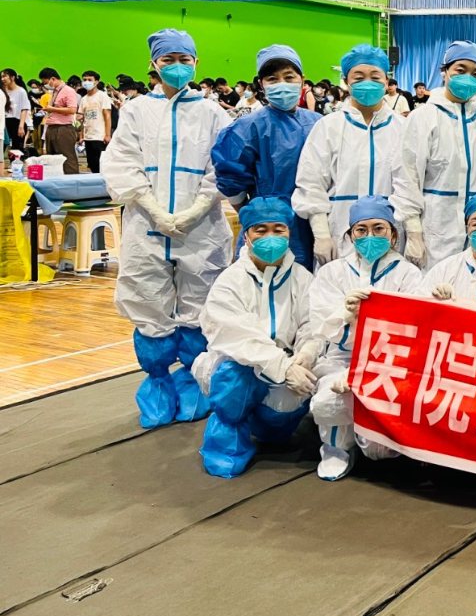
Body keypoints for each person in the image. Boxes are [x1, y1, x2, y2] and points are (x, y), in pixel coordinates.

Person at [102, 29, 233, 428]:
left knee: (201, 304)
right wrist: (154, 209)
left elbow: (223, 164)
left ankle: (195, 381)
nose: (177, 67)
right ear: (154, 64)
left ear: (196, 63)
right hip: (146, 226)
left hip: (202, 228)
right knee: (148, 302)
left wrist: (198, 208)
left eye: (184, 59)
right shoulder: (137, 110)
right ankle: (158, 382)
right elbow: (122, 161)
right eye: (168, 60)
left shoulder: (213, 112)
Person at [192, 198, 318, 478]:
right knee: (234, 378)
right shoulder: (231, 281)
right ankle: (226, 445)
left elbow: (312, 323)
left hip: (285, 367)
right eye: (260, 230)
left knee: (282, 420)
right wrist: (283, 366)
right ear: (246, 236)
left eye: (278, 229)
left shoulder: (302, 278)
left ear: (289, 233)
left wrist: (306, 353)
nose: (270, 237)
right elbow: (236, 336)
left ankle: (269, 425)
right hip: (241, 367)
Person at [307, 196, 425, 480]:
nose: (370, 236)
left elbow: (413, 330)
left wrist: (366, 370)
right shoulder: (332, 272)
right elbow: (321, 324)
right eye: (361, 230)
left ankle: (375, 440)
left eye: (378, 228)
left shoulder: (409, 275)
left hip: (391, 364)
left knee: (378, 451)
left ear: (393, 234)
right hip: (341, 358)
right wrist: (345, 313)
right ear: (350, 235)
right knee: (327, 402)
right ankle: (336, 450)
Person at [293, 44, 406, 265]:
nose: (368, 82)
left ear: (386, 81)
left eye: (375, 77)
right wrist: (321, 234)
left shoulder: (403, 128)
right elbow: (311, 183)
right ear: (346, 81)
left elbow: (409, 187)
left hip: (390, 235)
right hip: (340, 233)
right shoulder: (328, 127)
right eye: (359, 77)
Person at [212, 44, 322, 269]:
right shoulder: (247, 127)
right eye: (272, 79)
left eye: (289, 77)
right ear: (261, 84)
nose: (282, 84)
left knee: (309, 285)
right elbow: (231, 182)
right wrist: (256, 214)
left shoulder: (320, 124)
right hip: (266, 226)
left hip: (316, 223)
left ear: (302, 80)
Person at [393, 40, 476, 269]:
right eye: (460, 70)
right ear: (445, 72)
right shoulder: (423, 118)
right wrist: (413, 231)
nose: (468, 77)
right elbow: (407, 177)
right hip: (435, 231)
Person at [38, 68, 80, 174]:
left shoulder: (68, 91)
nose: (45, 85)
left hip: (63, 128)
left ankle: (71, 180)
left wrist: (52, 109)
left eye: (46, 82)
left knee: (67, 158)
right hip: (51, 127)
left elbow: (72, 109)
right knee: (52, 159)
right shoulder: (54, 91)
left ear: (53, 79)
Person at [78, 70, 113, 173]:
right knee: (91, 164)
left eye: (90, 80)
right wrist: (81, 136)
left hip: (99, 137)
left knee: (100, 165)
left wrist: (107, 135)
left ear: (96, 82)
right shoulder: (84, 99)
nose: (86, 82)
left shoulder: (102, 96)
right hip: (88, 137)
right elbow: (81, 119)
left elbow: (107, 115)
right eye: (84, 80)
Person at [2, 69, 30, 154]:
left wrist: (21, 126)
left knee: (17, 148)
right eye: (1, 77)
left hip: (17, 121)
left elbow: (24, 109)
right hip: (4, 122)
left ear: (12, 77)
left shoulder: (21, 91)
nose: (2, 79)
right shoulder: (2, 91)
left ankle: (17, 162)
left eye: (4, 76)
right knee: (2, 145)